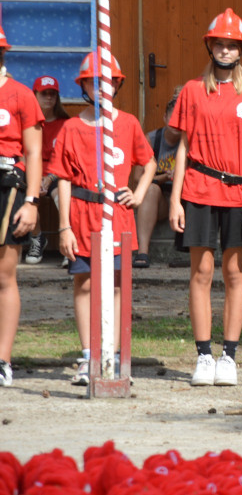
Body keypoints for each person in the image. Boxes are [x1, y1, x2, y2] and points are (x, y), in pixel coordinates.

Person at [168, 8, 242, 387]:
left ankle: (229, 356)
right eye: (220, 44)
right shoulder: (193, 91)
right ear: (210, 46)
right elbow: (183, 147)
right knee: (201, 272)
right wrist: (174, 199)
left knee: (235, 273)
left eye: (233, 45)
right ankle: (203, 356)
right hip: (198, 189)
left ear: (241, 49)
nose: (226, 50)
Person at [51, 53, 155, 386]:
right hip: (81, 218)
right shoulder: (70, 127)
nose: (100, 87)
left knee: (117, 284)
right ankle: (87, 356)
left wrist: (138, 195)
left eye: (106, 81)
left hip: (119, 217)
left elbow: (148, 161)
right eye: (92, 82)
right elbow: (63, 177)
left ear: (117, 84)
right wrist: (64, 225)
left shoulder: (127, 123)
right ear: (83, 86)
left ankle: (113, 354)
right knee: (83, 283)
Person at [0, 23, 45, 388]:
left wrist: (31, 201)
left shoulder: (20, 95)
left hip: (7, 187)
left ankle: (3, 359)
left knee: (4, 274)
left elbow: (33, 152)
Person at [133, 87, 182, 268]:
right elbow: (138, 177)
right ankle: (142, 252)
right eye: (173, 117)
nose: (176, 122)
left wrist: (181, 177)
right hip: (160, 199)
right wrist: (163, 178)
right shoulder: (152, 139)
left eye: (181, 118)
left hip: (183, 200)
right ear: (165, 117)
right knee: (151, 189)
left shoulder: (191, 141)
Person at [24, 76, 70, 265]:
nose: (49, 98)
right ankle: (38, 238)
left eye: (53, 94)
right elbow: (22, 154)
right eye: (44, 94)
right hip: (31, 174)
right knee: (25, 193)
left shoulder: (65, 123)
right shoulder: (26, 122)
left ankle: (68, 242)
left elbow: (68, 159)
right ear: (34, 95)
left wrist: (49, 178)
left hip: (56, 175)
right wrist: (34, 179)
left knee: (64, 192)